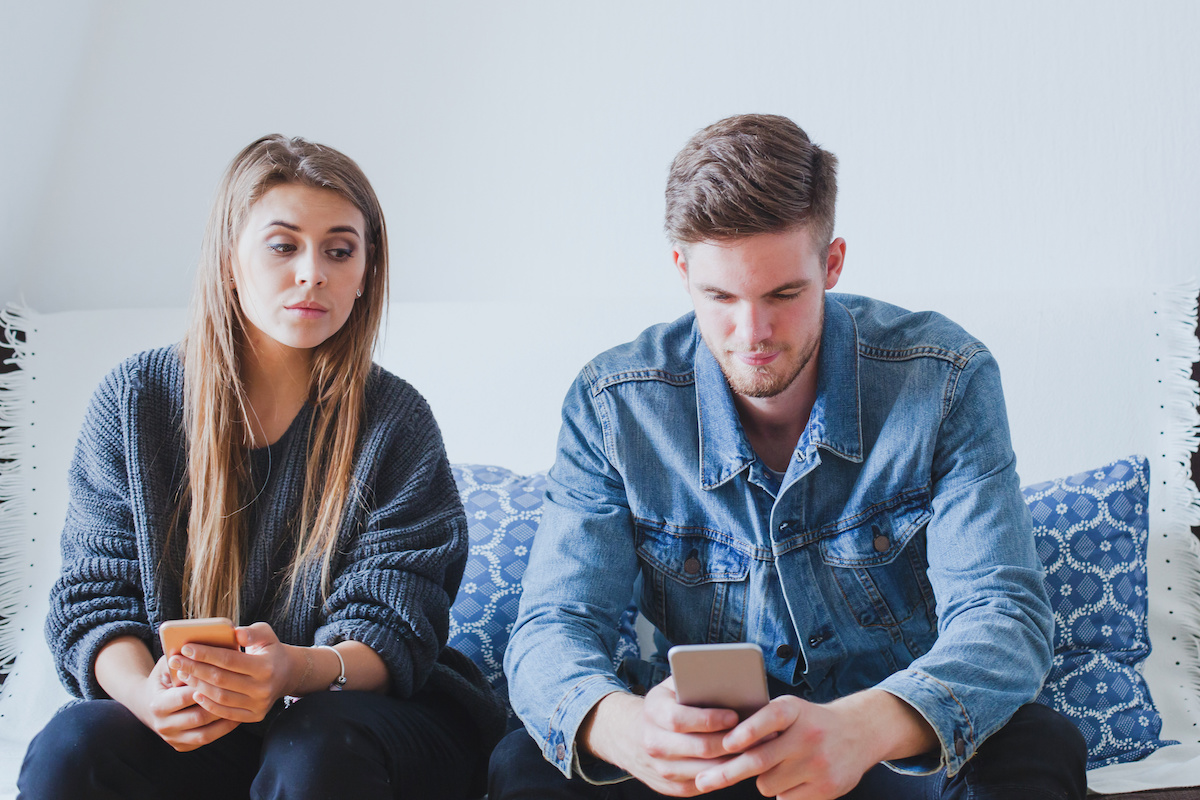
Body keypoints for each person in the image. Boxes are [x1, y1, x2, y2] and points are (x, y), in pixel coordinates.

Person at [489, 114, 1088, 799]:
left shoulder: (946, 379)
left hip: (890, 744)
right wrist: (623, 726)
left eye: (784, 294)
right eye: (719, 297)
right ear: (682, 271)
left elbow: (1003, 615)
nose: (753, 333)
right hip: (713, 756)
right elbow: (553, 627)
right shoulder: (614, 405)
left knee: (1038, 744)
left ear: (831, 264)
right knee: (529, 761)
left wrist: (865, 727)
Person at [18, 135, 506, 799]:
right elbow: (93, 595)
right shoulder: (137, 401)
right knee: (74, 744)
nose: (313, 273)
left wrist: (289, 671)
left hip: (373, 723)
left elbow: (395, 628)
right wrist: (143, 692)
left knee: (313, 744)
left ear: (365, 273)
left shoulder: (395, 420)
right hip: (217, 727)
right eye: (284, 246)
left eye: (340, 250)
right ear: (228, 262)